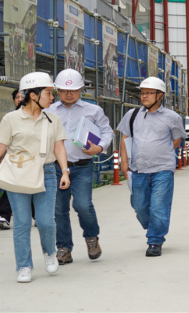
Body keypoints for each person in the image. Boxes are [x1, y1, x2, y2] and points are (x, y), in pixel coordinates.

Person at [0, 72, 70, 283]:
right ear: (33, 95)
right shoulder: (11, 118)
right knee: (22, 223)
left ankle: (49, 253)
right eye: (48, 93)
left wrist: (64, 171)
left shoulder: (53, 119)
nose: (52, 97)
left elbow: (60, 148)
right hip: (18, 173)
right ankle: (24, 265)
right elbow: (0, 147)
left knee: (46, 221)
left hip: (46, 172)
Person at [45, 69, 113, 265]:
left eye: (73, 90)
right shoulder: (49, 111)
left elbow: (107, 132)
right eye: (65, 91)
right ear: (57, 90)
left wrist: (99, 147)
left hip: (82, 166)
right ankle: (64, 248)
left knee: (83, 205)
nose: (69, 94)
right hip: (56, 167)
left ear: (82, 89)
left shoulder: (93, 110)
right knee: (59, 209)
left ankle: (92, 238)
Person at [117, 77, 185, 257]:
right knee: (139, 206)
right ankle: (154, 226)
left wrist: (161, 151)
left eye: (149, 93)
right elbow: (124, 138)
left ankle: (155, 240)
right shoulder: (132, 115)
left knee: (159, 206)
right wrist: (124, 162)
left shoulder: (172, 117)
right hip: (138, 169)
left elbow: (176, 139)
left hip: (163, 168)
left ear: (160, 95)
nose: (144, 96)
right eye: (143, 92)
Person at [0, 89, 29, 230]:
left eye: (22, 97)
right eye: (17, 97)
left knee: (32, 188)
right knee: (12, 187)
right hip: (15, 161)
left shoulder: (39, 116)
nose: (20, 99)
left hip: (34, 161)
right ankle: (3, 216)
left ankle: (39, 215)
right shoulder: (10, 117)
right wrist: (3, 160)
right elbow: (2, 143)